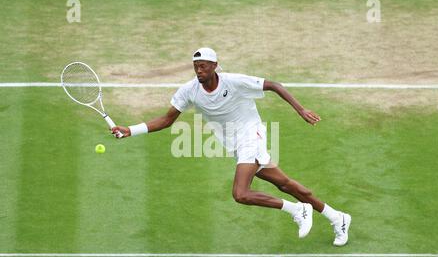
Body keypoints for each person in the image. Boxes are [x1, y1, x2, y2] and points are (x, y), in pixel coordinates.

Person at [112, 47, 351, 246]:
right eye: (196, 67)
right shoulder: (189, 91)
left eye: (203, 66)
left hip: (251, 136)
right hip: (236, 145)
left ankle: (297, 211)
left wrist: (300, 110)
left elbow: (274, 85)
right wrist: (131, 130)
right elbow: (166, 120)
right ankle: (337, 217)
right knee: (286, 184)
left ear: (215, 65)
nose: (199, 70)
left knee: (241, 194)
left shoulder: (234, 82)